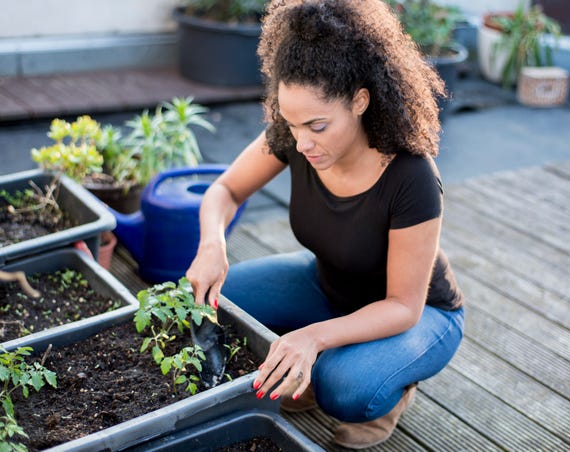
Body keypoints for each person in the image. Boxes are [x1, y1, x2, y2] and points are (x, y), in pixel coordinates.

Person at [186, 0, 465, 448]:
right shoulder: (295, 131)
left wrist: (311, 338)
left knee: (345, 388)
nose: (302, 143)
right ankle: (320, 357)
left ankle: (391, 391)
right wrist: (211, 245)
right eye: (292, 124)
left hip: (417, 315)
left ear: (360, 99)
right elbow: (224, 192)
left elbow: (403, 307)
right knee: (216, 302)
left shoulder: (411, 175)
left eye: (317, 126)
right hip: (329, 284)